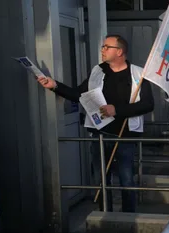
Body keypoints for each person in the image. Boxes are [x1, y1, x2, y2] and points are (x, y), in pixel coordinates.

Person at [37, 34, 154, 213]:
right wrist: (55, 85)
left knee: (126, 179)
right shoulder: (98, 71)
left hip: (125, 135)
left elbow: (148, 104)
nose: (102, 50)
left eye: (107, 47)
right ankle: (105, 214)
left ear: (120, 51)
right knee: (102, 179)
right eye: (103, 47)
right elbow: (79, 94)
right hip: (99, 133)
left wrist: (117, 110)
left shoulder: (139, 73)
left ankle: (129, 218)